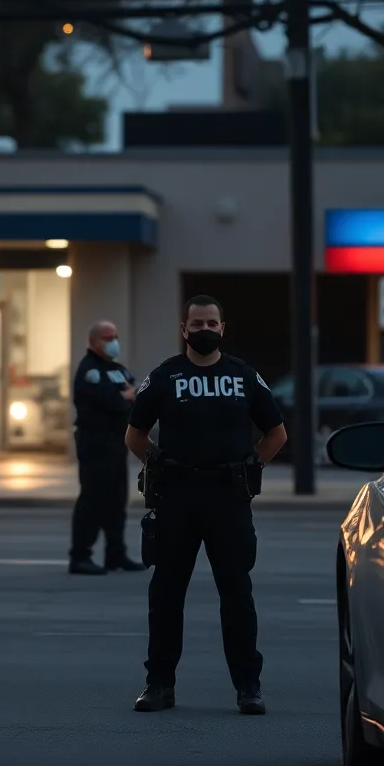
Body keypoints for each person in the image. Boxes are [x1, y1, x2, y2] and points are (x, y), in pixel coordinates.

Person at [124, 294, 287, 715]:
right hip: (177, 497)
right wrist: (159, 467)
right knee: (166, 595)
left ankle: (248, 687)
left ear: (223, 327)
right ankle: (159, 685)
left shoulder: (243, 375)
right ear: (184, 329)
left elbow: (276, 433)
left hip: (229, 498)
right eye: (197, 324)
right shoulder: (164, 376)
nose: (205, 331)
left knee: (237, 595)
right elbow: (135, 435)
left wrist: (251, 469)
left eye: (212, 323)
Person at [69, 320, 146, 576]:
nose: (113, 341)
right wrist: (122, 398)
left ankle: (116, 553)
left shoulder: (117, 370)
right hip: (95, 442)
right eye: (106, 337)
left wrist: (124, 398)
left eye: (114, 336)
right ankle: (80, 556)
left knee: (116, 501)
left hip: (116, 443)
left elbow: (133, 397)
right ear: (93, 341)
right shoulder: (89, 370)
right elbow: (110, 401)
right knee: (92, 500)